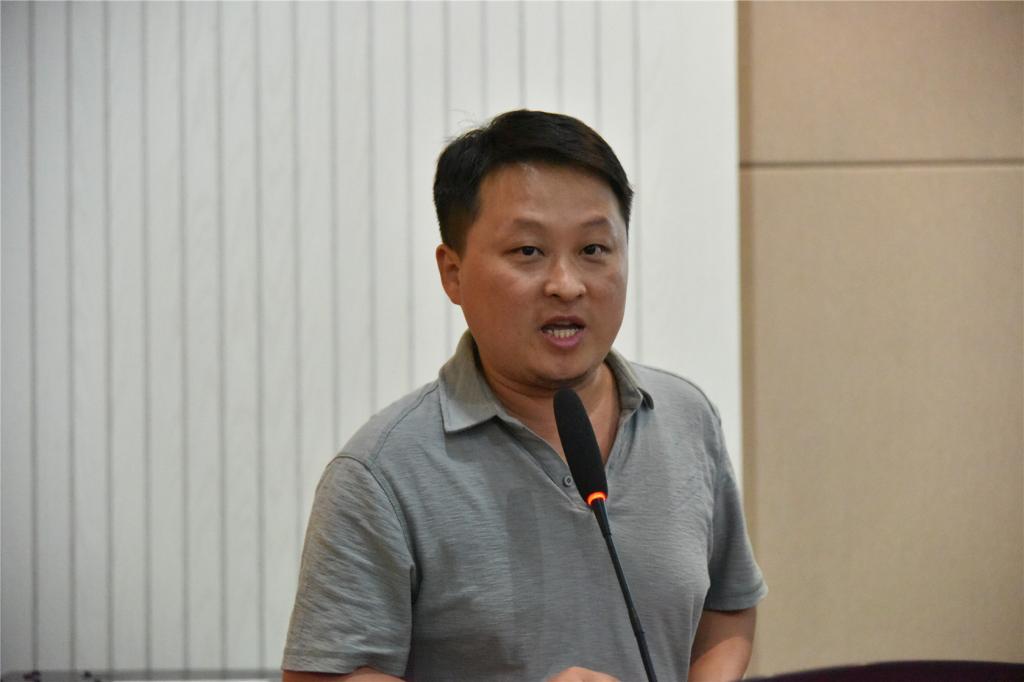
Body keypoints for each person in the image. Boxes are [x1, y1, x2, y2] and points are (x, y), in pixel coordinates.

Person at [281, 110, 766, 682]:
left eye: (594, 249)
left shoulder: (686, 417)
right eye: (528, 252)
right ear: (453, 272)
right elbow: (326, 676)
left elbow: (727, 604)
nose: (567, 284)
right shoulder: (380, 473)